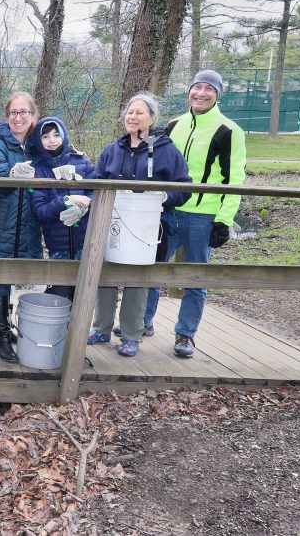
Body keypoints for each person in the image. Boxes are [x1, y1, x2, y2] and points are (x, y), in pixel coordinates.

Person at [146, 70, 247, 358]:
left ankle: (185, 334)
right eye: (197, 87)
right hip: (169, 210)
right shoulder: (174, 124)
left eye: (208, 89)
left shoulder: (229, 130)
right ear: (189, 90)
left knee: (196, 276)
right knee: (153, 269)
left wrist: (224, 220)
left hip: (203, 216)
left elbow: (234, 178)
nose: (201, 93)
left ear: (217, 94)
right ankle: (143, 322)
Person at [88, 92, 192, 357]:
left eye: (139, 113)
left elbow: (185, 188)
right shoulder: (112, 150)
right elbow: (96, 184)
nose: (133, 117)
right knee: (106, 276)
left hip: (148, 228)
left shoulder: (167, 151)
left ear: (153, 119)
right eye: (130, 112)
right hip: (113, 224)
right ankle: (101, 328)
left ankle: (132, 335)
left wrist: (163, 196)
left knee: (138, 280)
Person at [0, 92, 43, 363]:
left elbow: (57, 161)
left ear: (32, 116)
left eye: (24, 112)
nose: (18, 117)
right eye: (13, 113)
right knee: (1, 275)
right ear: (7, 116)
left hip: (28, 221)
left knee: (15, 272)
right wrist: (12, 176)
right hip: (1, 220)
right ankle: (2, 336)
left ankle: (1, 324)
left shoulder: (38, 144)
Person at [31, 116, 95, 300]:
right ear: (38, 140)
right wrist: (67, 200)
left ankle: (81, 330)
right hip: (58, 247)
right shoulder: (38, 170)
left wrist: (86, 205)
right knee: (59, 297)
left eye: (56, 135)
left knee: (83, 298)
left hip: (87, 243)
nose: (52, 140)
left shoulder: (82, 162)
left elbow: (97, 194)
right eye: (46, 136)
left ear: (64, 135)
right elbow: (40, 211)